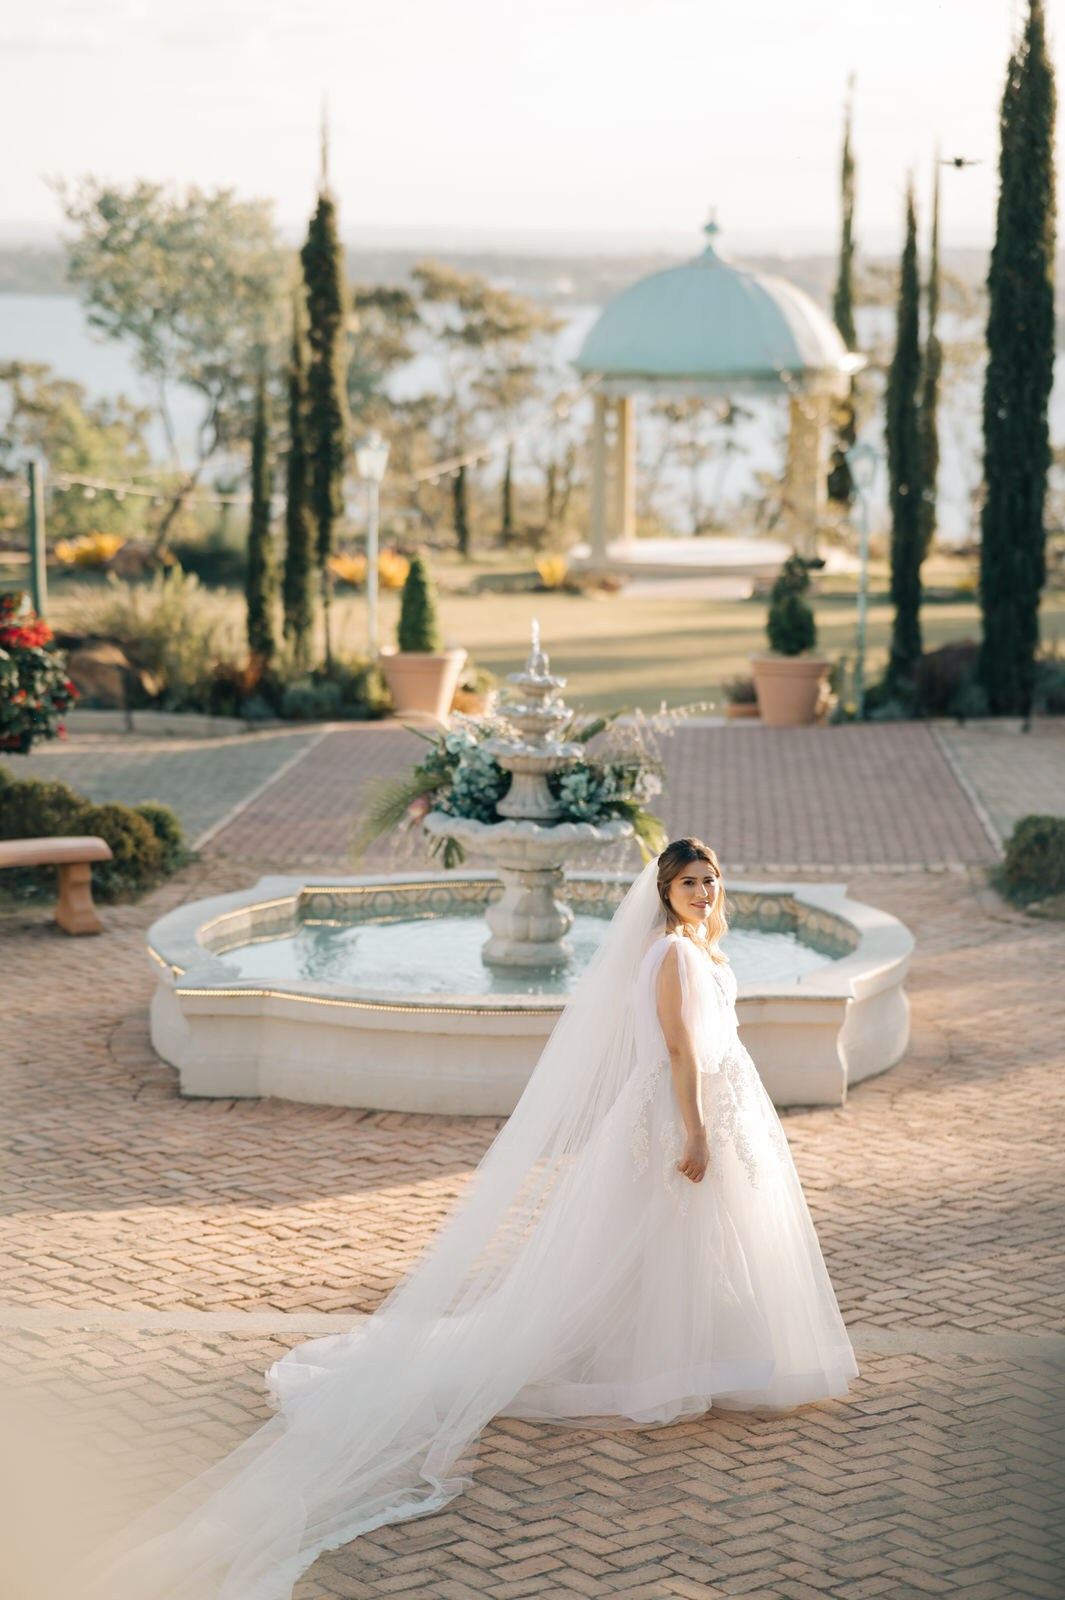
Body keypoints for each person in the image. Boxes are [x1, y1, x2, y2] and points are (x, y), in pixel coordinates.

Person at [84, 838, 858, 1600]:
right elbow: (681, 1048)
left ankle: (694, 1346)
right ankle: (668, 1357)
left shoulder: (691, 948)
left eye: (711, 879)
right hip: (678, 1112)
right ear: (664, 890)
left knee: (674, 1238)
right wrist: (692, 1130)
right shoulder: (677, 955)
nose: (704, 891)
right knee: (661, 1231)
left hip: (704, 1106)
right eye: (690, 881)